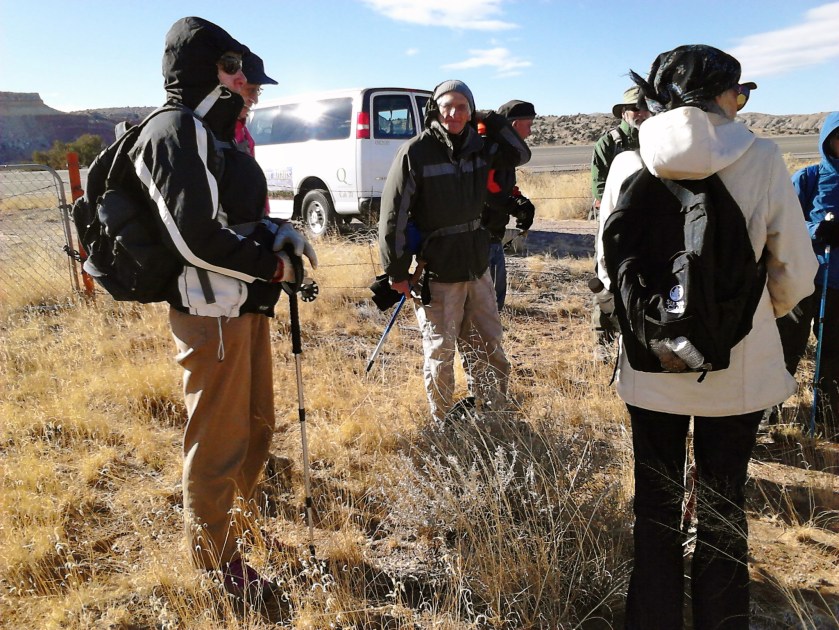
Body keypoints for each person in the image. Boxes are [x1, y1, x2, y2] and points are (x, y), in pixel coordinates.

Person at [596, 45, 817, 628]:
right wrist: (742, 318)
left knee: (656, 506)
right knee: (723, 505)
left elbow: (606, 267)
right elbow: (796, 269)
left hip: (650, 366)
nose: (740, 106)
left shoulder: (625, 161)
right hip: (736, 371)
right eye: (739, 94)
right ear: (720, 92)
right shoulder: (763, 157)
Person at [130, 17, 316, 604]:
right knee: (216, 441)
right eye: (234, 69)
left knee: (256, 425)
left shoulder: (217, 134)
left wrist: (275, 230)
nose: (249, 85)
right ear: (201, 71)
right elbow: (193, 238)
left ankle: (237, 530)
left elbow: (231, 218)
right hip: (209, 315)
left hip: (241, 307)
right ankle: (216, 565)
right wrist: (274, 267)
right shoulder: (174, 130)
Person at [378, 80, 531, 424]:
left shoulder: (483, 148)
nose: (453, 114)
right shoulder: (416, 152)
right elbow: (394, 215)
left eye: (462, 107)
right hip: (438, 271)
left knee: (489, 347)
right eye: (447, 106)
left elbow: (520, 154)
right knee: (441, 353)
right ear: (435, 109)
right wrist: (396, 271)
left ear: (471, 110)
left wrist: (491, 120)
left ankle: (492, 415)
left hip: (476, 266)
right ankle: (442, 421)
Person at [776, 115, 839, 437]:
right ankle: (769, 410)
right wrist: (817, 229)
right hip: (802, 280)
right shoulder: (808, 178)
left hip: (838, 286)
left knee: (833, 354)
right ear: (828, 141)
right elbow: (779, 222)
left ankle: (829, 419)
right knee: (786, 347)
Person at [590, 87, 651, 361]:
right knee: (605, 279)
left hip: (648, 223)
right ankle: (602, 338)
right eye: (634, 108)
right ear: (624, 112)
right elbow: (600, 185)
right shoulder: (609, 142)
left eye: (643, 107)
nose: (639, 113)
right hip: (616, 218)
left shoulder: (659, 139)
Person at [480, 99, 537, 311]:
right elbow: (489, 191)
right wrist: (514, 206)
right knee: (487, 304)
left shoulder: (502, 151)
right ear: (514, 126)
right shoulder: (491, 149)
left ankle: (488, 341)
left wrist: (519, 201)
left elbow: (503, 186)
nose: (530, 132)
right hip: (481, 237)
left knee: (494, 301)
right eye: (528, 125)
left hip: (492, 234)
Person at [234, 50, 277, 158]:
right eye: (250, 90)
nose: (255, 100)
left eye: (257, 91)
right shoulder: (202, 129)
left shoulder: (245, 135)